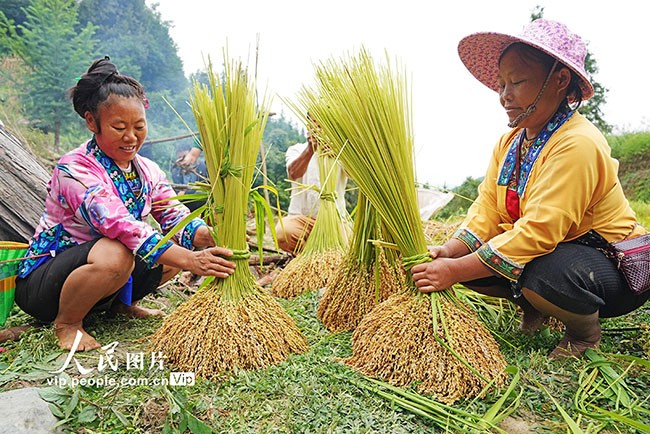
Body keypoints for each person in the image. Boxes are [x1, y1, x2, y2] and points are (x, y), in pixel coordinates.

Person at [411, 19, 650, 358]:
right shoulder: (510, 142)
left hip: (609, 267)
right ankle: (536, 308)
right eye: (501, 84)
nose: (505, 96)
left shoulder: (578, 142)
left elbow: (540, 231)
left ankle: (584, 334)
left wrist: (454, 271)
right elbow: (487, 210)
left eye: (517, 82)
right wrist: (451, 252)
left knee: (540, 272)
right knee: (473, 258)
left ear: (560, 79)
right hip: (558, 251)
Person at [14, 57, 236, 351]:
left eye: (139, 126)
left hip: (106, 273)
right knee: (120, 251)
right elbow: (121, 225)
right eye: (119, 127)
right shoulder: (75, 169)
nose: (131, 137)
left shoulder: (148, 170)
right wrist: (189, 259)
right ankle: (67, 324)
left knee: (165, 250)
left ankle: (121, 305)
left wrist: (205, 235)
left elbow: (172, 213)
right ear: (92, 121)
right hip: (47, 284)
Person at [274, 120, 349, 254]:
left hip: (335, 220)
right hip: (303, 221)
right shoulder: (297, 149)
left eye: (322, 123)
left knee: (346, 252)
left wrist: (340, 152)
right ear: (308, 126)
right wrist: (310, 149)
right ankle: (304, 257)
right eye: (315, 124)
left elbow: (354, 173)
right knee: (283, 233)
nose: (319, 129)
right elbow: (293, 173)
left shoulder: (342, 152)